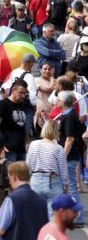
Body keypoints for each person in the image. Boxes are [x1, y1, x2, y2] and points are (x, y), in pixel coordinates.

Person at [0, 161, 48, 239]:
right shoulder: (42, 200)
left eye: (9, 178)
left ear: (14, 177)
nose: (9, 182)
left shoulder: (11, 199)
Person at [27, 120, 68, 218]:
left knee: (36, 215)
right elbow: (63, 170)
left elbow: (28, 164)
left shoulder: (33, 144)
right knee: (53, 215)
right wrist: (66, 186)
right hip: (53, 180)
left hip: (35, 179)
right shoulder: (58, 148)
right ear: (56, 131)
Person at [56, 91, 86, 226]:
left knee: (71, 187)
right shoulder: (68, 115)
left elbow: (70, 139)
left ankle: (78, 218)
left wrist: (61, 157)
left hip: (69, 157)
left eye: (58, 99)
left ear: (63, 102)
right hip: (71, 156)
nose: (56, 101)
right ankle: (68, 216)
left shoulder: (69, 117)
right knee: (67, 186)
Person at [0, 79, 29, 161]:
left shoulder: (22, 105)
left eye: (25, 93)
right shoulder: (2, 104)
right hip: (8, 149)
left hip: (22, 149)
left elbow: (24, 126)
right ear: (13, 90)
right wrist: (0, 144)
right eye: (21, 92)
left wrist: (27, 142)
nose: (23, 96)